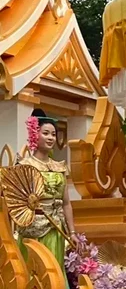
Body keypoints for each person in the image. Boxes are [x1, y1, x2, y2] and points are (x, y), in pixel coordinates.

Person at [16, 108, 75, 279]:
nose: (50, 138)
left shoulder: (60, 167)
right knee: (35, 272)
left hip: (56, 228)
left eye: (53, 134)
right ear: (35, 134)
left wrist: (72, 232)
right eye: (46, 133)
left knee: (55, 273)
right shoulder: (25, 165)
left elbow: (66, 203)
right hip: (33, 228)